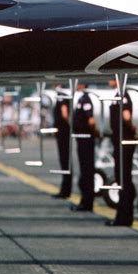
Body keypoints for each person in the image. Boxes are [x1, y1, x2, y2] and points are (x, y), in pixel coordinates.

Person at [105, 78, 136, 227]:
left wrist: (130, 128)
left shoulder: (122, 95)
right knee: (122, 177)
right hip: (120, 139)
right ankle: (123, 214)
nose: (109, 80)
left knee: (123, 178)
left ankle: (124, 216)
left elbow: (126, 116)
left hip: (123, 139)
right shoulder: (119, 94)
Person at [71, 83, 97, 212]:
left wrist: (93, 132)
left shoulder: (85, 99)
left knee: (87, 171)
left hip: (86, 139)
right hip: (82, 139)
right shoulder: (82, 99)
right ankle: (85, 200)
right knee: (85, 171)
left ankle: (87, 202)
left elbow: (90, 120)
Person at [52, 88, 72, 199]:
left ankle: (65, 190)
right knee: (65, 161)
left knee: (65, 161)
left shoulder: (61, 96)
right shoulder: (62, 95)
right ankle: (65, 189)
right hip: (63, 132)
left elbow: (64, 114)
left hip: (63, 132)